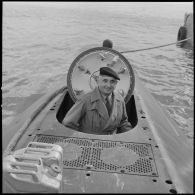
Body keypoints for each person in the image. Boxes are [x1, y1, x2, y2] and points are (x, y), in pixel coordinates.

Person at [62, 66, 133, 135]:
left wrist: (130, 134)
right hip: (90, 144)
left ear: (116, 83)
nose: (108, 85)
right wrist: (81, 137)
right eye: (105, 81)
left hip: (111, 143)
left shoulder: (120, 100)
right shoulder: (85, 100)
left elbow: (123, 122)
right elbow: (68, 123)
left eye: (112, 82)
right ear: (98, 81)